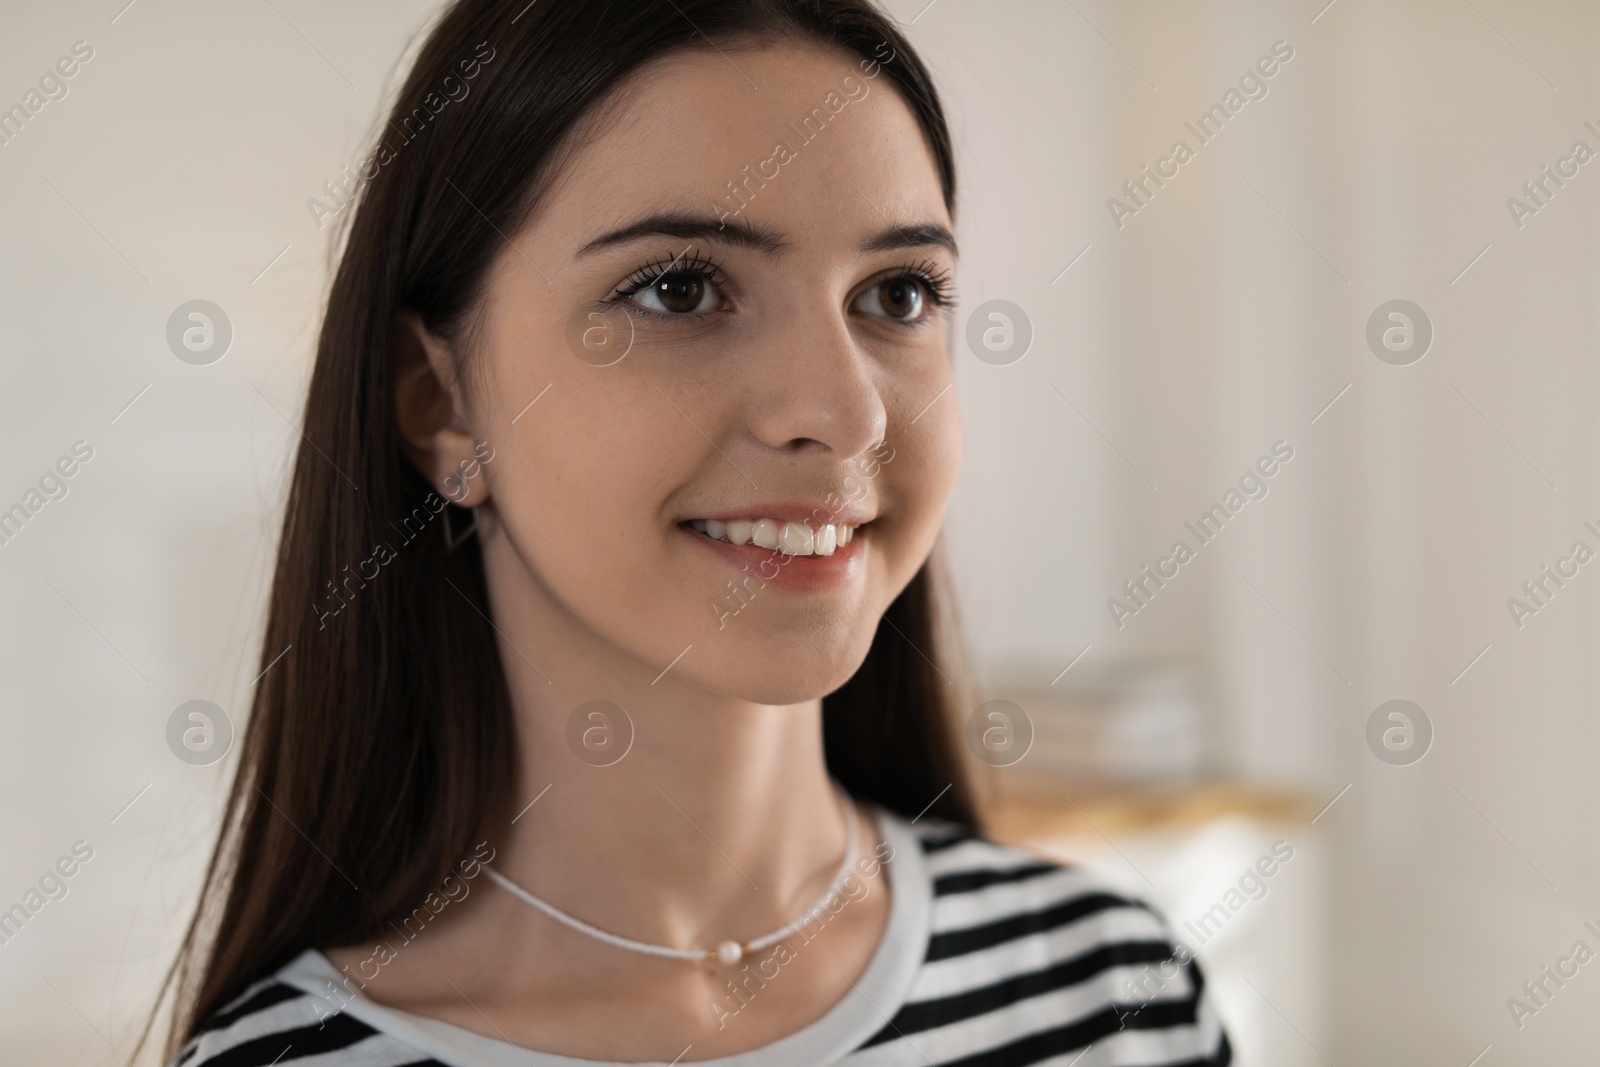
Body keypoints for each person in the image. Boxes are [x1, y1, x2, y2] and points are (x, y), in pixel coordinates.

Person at [153, 1, 1231, 1063]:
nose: (844, 410)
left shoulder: (1119, 995)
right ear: (442, 403)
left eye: (897, 294)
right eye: (679, 289)